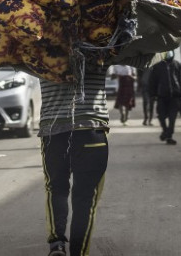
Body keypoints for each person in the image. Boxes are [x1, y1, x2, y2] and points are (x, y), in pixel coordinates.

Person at [39, 62, 109, 256]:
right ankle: (78, 252)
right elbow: (141, 57)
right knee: (86, 198)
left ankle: (57, 244)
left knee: (56, 188)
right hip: (90, 128)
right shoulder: (103, 44)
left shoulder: (36, 48)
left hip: (54, 130)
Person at [149, 51, 181, 145]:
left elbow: (180, 79)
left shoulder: (177, 64)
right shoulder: (157, 66)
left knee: (172, 118)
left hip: (175, 95)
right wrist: (152, 94)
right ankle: (165, 131)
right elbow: (153, 81)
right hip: (162, 95)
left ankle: (169, 136)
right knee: (161, 116)